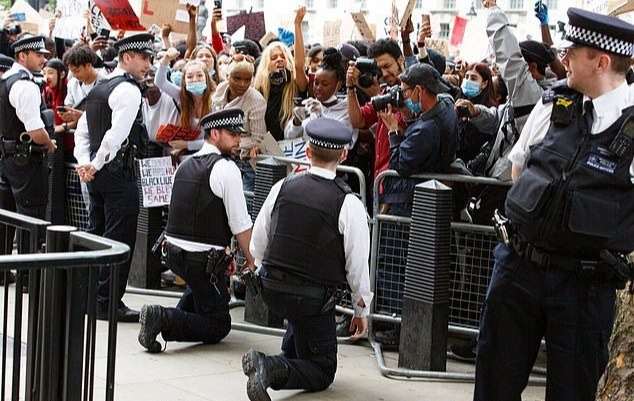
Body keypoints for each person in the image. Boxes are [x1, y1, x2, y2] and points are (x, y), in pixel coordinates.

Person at [474, 8, 634, 401]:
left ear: (601, 62)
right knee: (494, 384)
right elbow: (519, 169)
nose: (563, 59)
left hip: (584, 287)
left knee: (571, 392)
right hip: (518, 269)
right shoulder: (553, 104)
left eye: (572, 52)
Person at [244, 118, 372, 401]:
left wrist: (268, 271)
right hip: (312, 300)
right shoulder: (348, 203)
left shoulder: (282, 187)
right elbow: (357, 266)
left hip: (272, 291)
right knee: (323, 370)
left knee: (298, 336)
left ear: (308, 152)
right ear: (344, 155)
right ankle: (268, 366)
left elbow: (257, 243)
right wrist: (361, 311)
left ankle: (280, 363)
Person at [138, 108, 255, 353]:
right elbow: (241, 225)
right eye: (233, 134)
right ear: (214, 133)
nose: (238, 140)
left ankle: (163, 319)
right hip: (200, 262)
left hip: (173, 254)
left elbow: (180, 209)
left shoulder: (184, 165)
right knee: (219, 324)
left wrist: (223, 254)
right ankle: (163, 318)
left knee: (200, 291)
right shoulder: (227, 169)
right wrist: (253, 262)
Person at [73, 33, 154, 322]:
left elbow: (82, 133)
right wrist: (92, 164)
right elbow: (115, 136)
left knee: (97, 235)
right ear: (127, 57)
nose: (148, 64)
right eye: (143, 58)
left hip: (99, 176)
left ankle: (92, 298)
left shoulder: (99, 88)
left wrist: (86, 164)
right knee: (119, 240)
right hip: (118, 175)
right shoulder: (128, 90)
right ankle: (108, 303)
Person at [0, 36, 56, 287]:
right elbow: (35, 129)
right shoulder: (25, 85)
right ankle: (27, 275)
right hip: (26, 159)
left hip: (10, 158)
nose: (43, 59)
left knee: (8, 215)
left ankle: (5, 269)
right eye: (38, 54)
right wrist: (49, 143)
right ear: (23, 56)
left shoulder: (7, 80)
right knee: (30, 217)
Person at [211, 54, 266, 191]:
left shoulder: (256, 100)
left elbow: (258, 138)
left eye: (247, 80)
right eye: (237, 78)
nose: (242, 84)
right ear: (227, 75)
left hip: (245, 164)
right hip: (220, 158)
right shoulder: (220, 89)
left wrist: (227, 142)